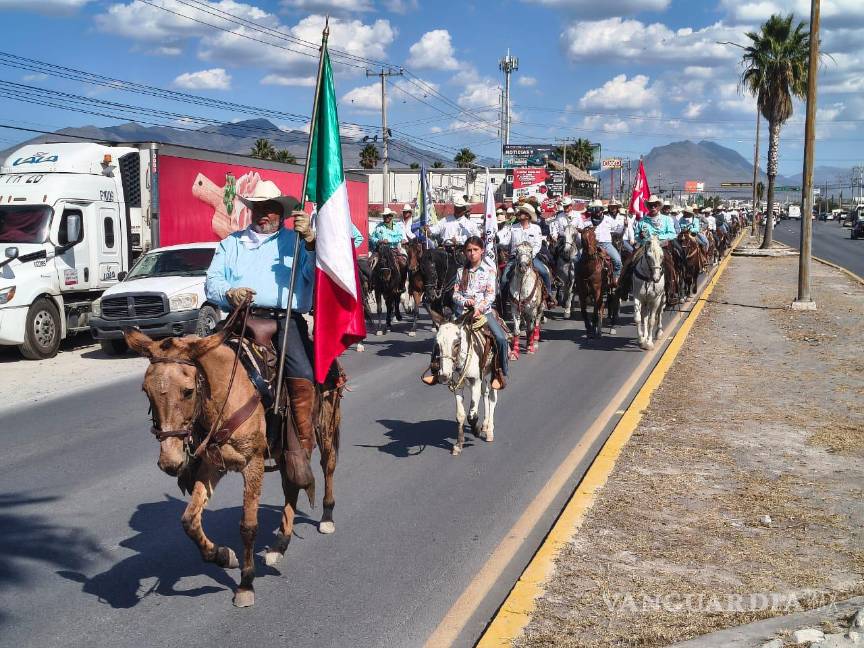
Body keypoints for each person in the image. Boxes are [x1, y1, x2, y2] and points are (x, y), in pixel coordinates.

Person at [204, 180, 318, 464]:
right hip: (238, 318)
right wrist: (229, 292)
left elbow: (314, 277)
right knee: (199, 364)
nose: (262, 214)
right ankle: (197, 440)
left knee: (302, 372)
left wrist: (313, 242)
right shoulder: (230, 243)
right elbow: (212, 282)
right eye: (257, 208)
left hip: (283, 321)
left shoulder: (296, 242)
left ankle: (301, 446)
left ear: (281, 212)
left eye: (269, 208)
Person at [422, 236, 509, 390]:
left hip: (483, 313)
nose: (472, 253)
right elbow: (455, 294)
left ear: (482, 251)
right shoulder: (461, 271)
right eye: (469, 250)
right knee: (441, 337)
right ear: (465, 252)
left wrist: (479, 308)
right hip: (461, 314)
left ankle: (499, 373)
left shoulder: (489, 271)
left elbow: (490, 295)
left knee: (501, 339)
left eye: (475, 250)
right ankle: (435, 370)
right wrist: (464, 302)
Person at [498, 203, 555, 306]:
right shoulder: (513, 227)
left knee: (544, 272)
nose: (519, 214)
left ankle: (549, 296)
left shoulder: (536, 228)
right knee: (504, 279)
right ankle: (503, 303)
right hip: (515, 258)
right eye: (520, 212)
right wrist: (497, 239)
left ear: (528, 215)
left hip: (531, 258)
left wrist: (531, 255)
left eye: (523, 212)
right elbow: (505, 241)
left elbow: (538, 244)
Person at [585, 199, 624, 287]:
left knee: (618, 261)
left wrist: (624, 225)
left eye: (599, 209)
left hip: (606, 244)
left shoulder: (608, 219)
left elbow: (618, 230)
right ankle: (577, 281)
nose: (598, 211)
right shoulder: (587, 222)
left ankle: (615, 278)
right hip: (591, 246)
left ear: (602, 209)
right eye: (596, 209)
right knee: (577, 261)